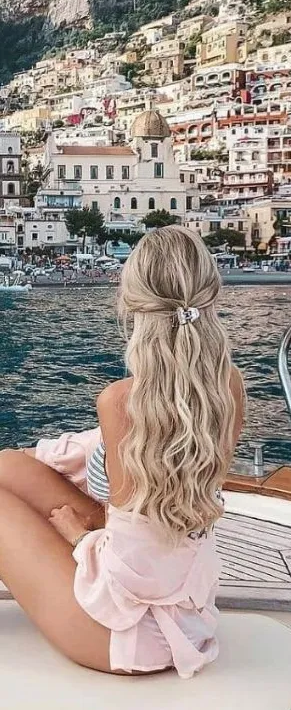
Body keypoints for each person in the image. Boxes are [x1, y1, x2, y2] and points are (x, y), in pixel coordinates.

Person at [0, 226, 244, 676]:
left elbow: (141, 570)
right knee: (8, 468)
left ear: (132, 301)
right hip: (178, 601)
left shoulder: (122, 402)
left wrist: (80, 537)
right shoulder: (227, 386)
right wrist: (36, 459)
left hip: (128, 633)